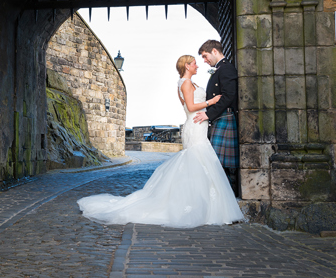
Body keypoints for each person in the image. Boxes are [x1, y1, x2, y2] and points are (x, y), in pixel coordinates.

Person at [76, 55, 244, 228]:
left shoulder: (190, 83)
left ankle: (203, 204)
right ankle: (197, 206)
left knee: (200, 164)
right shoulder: (184, 83)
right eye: (194, 63)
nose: (197, 66)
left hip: (199, 124)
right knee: (198, 162)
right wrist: (212, 101)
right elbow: (190, 107)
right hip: (195, 125)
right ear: (186, 66)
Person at [193, 40, 239, 195]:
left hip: (224, 117)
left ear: (214, 51)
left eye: (205, 56)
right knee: (217, 162)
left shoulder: (226, 68)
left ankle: (227, 197)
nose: (205, 61)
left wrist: (208, 114)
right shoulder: (220, 69)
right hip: (220, 118)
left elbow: (229, 96)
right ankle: (222, 197)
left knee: (220, 163)